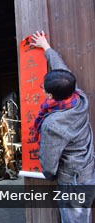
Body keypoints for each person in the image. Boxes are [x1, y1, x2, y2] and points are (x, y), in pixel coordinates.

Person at [31, 31, 95, 223]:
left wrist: (50, 175)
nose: (42, 88)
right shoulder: (78, 97)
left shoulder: (53, 123)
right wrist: (46, 47)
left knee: (74, 219)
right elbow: (63, 71)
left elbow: (49, 161)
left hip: (72, 179)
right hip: (86, 168)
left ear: (50, 96)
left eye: (44, 88)